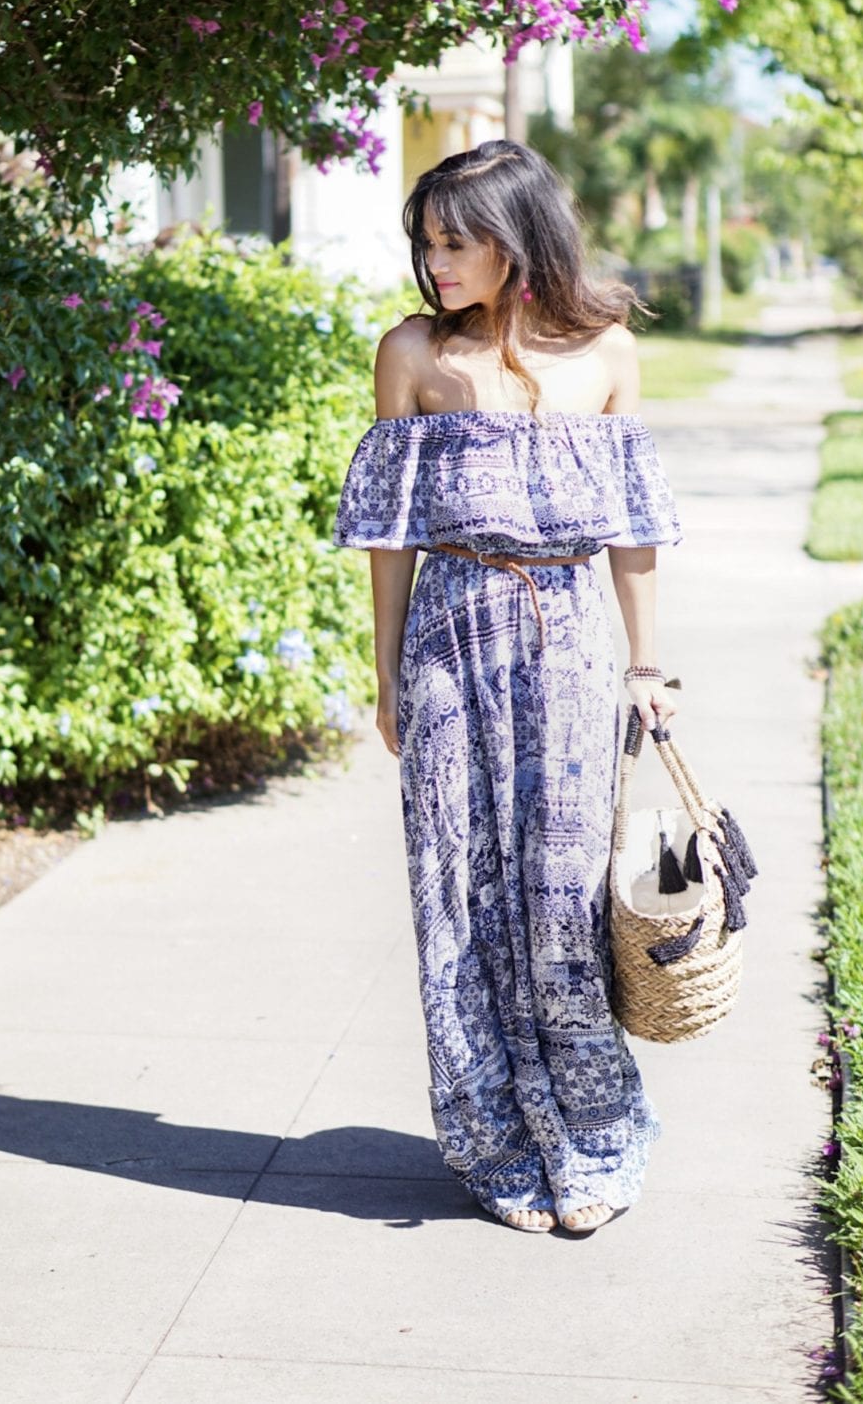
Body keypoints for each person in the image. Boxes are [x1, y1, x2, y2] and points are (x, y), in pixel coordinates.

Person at [332, 139, 684, 1237]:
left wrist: (646, 664)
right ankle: (492, 1141)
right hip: (450, 633)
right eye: (426, 242)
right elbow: (391, 536)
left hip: (571, 641)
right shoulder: (414, 355)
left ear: (516, 239)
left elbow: (633, 533)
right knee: (458, 894)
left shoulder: (608, 354)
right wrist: (386, 674)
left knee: (564, 897)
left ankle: (590, 1134)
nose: (435, 263)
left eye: (456, 240)